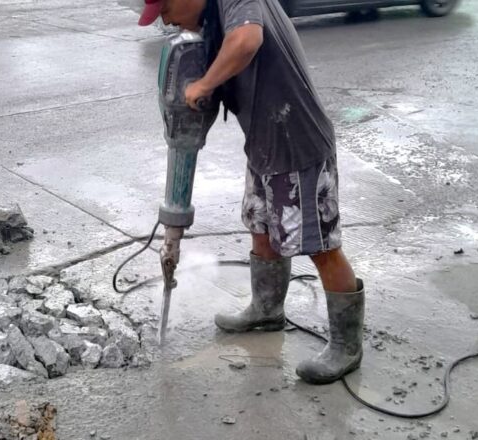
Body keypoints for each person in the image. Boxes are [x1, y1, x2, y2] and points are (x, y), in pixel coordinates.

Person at [138, 0, 365, 384]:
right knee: (260, 226)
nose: (166, 20)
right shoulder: (211, 18)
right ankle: (266, 310)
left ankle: (347, 347)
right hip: (264, 143)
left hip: (298, 144)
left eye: (166, 10)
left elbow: (246, 40)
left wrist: (205, 84)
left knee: (321, 247)